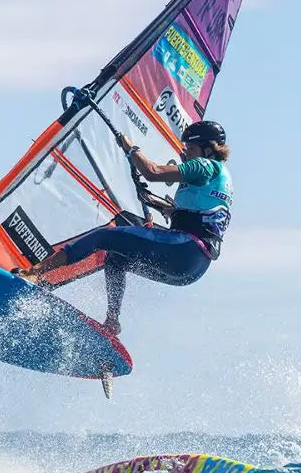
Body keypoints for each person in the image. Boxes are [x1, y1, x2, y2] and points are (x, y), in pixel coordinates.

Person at [17, 120, 232, 336]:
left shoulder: (205, 166)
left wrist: (131, 149)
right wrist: (162, 206)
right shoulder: (221, 178)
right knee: (116, 258)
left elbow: (153, 172)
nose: (186, 155)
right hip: (192, 269)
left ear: (209, 149)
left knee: (104, 236)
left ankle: (35, 272)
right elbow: (199, 216)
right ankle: (111, 323)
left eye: (191, 149)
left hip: (183, 249)